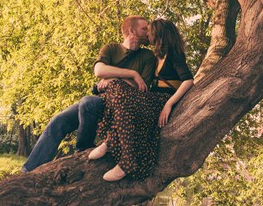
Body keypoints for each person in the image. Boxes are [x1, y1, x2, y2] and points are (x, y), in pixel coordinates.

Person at [21, 15, 156, 172]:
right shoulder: (111, 48)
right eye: (144, 28)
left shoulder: (147, 56)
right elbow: (99, 70)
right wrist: (132, 73)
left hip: (122, 104)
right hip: (100, 99)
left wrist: (113, 79)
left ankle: (83, 150)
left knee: (87, 102)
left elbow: (142, 88)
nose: (148, 32)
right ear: (132, 31)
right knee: (58, 121)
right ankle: (28, 170)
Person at [88, 18, 194, 181]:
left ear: (158, 34)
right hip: (151, 98)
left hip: (162, 100)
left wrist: (169, 104)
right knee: (117, 90)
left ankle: (127, 163)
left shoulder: (174, 54)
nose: (147, 36)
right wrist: (112, 80)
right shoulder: (156, 56)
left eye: (149, 32)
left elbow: (188, 80)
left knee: (120, 94)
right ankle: (109, 141)